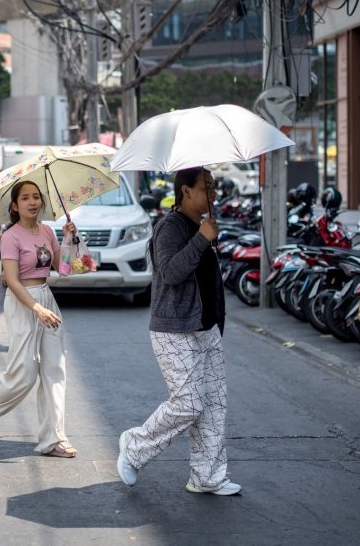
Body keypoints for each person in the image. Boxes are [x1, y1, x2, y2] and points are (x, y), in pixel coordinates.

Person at [116, 167, 242, 495]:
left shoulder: (201, 224)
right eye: (206, 187)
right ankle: (133, 447)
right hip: (174, 329)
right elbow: (171, 273)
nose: (212, 194)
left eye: (213, 187)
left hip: (206, 327)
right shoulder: (169, 227)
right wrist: (202, 238)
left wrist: (204, 235)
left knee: (213, 406)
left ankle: (207, 477)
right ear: (186, 191)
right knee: (188, 403)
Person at [0, 181, 77, 458]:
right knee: (24, 373)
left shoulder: (47, 231)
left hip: (47, 298)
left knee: (55, 370)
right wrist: (35, 308)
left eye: (36, 197)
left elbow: (63, 268)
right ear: (15, 206)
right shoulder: (11, 236)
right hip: (22, 302)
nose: (33, 202)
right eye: (26, 198)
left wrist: (67, 239)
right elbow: (12, 281)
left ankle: (54, 438)